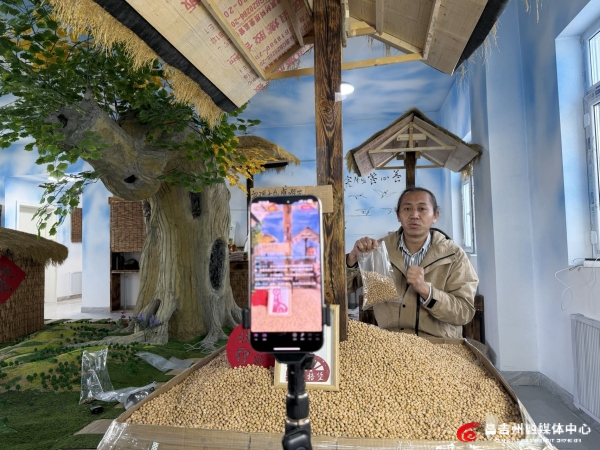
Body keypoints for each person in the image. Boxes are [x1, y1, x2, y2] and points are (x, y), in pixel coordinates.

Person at [346, 186, 478, 338]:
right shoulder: (378, 250)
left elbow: (464, 312)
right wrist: (352, 260)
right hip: (391, 343)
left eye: (422, 209)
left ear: (435, 216)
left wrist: (427, 291)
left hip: (439, 345)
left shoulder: (454, 256)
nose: (414, 215)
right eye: (407, 209)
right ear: (398, 215)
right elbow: (342, 288)